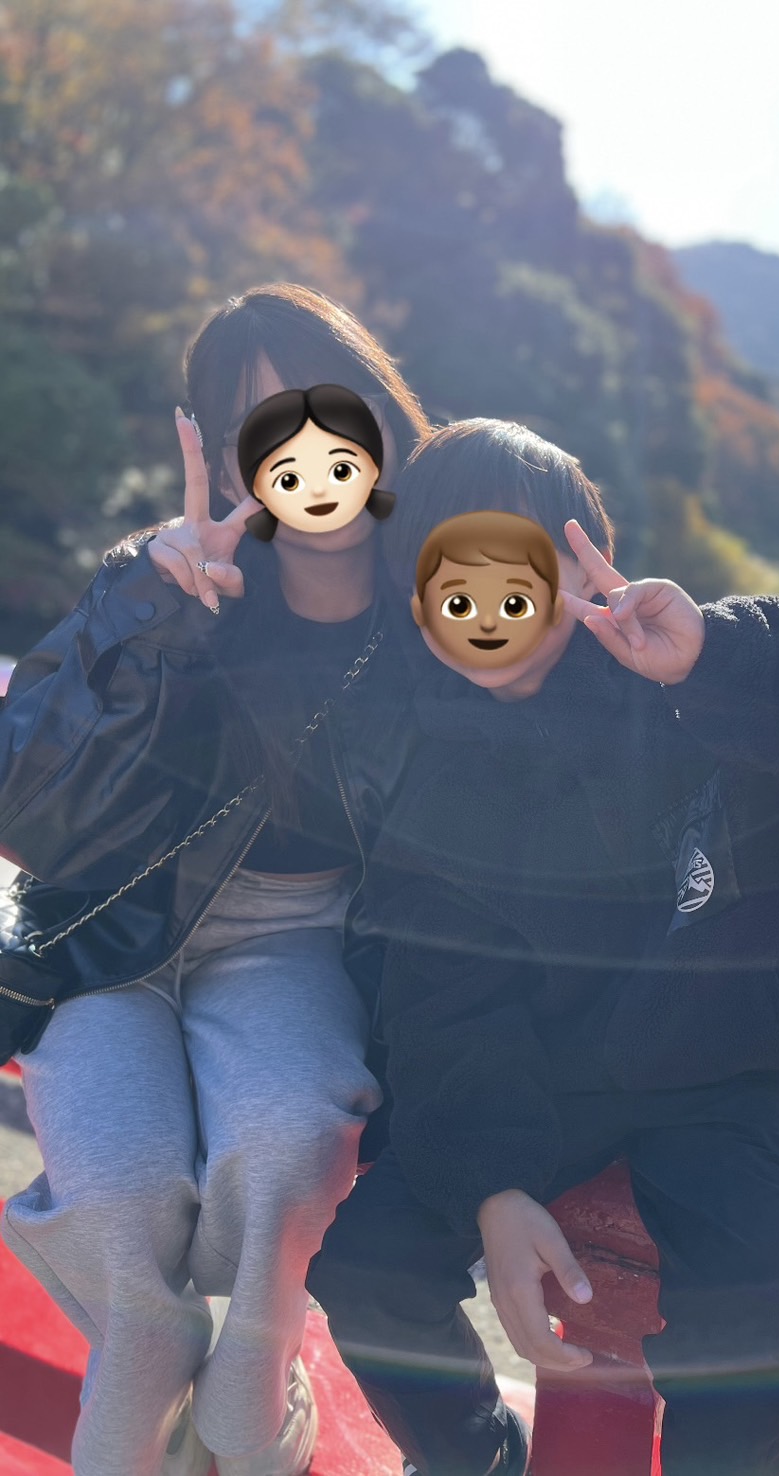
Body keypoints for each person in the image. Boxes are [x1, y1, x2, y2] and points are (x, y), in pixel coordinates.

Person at [306, 419, 779, 1476]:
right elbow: (443, 997)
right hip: (546, 1082)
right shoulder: (437, 766)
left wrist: (723, 655)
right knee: (367, 1267)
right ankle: (482, 1461)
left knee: (744, 1349)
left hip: (728, 1080)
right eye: (446, 575)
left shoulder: (698, 681)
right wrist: (491, 1183)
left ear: (587, 564)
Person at [0, 283, 431, 1476]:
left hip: (290, 938)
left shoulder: (438, 607)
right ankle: (158, 1353)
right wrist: (152, 613)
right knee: (122, 1206)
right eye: (261, 426)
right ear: (222, 455)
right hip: (110, 937)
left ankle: (258, 1372)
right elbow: (25, 798)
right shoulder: (168, 576)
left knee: (287, 1145)